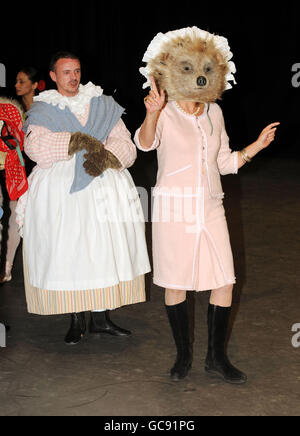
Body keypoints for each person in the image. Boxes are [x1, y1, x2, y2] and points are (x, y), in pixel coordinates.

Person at [135, 71, 279, 384]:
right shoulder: (165, 110)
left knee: (225, 278)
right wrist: (151, 113)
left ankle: (216, 357)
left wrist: (256, 146)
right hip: (175, 206)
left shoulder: (214, 111)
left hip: (211, 205)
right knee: (176, 283)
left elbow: (224, 162)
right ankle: (183, 355)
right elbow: (145, 144)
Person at [16, 51, 150, 345]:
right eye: (66, 72)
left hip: (102, 182)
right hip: (61, 192)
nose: (73, 77)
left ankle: (101, 319)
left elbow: (124, 141)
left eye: (76, 71)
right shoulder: (43, 109)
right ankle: (76, 319)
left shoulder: (101, 103)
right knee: (71, 251)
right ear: (52, 76)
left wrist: (106, 156)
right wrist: (74, 140)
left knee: (103, 249)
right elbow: (35, 147)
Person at [0, 67, 41, 283]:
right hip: (15, 168)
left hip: (35, 169)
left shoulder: (42, 109)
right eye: (16, 80)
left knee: (25, 219)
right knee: (12, 217)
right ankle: (6, 266)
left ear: (34, 85)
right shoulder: (10, 109)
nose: (16, 85)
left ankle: (12, 266)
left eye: (21, 81)